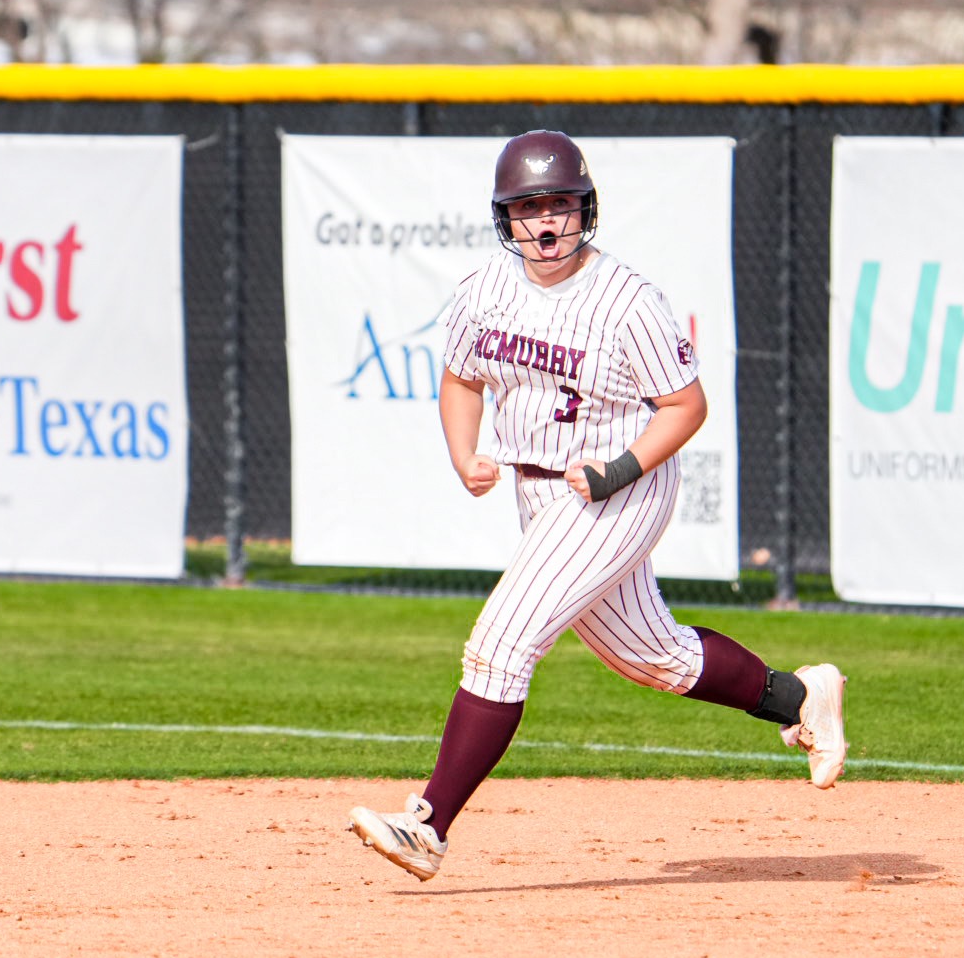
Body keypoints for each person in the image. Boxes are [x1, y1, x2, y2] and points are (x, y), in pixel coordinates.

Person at [346, 129, 848, 882]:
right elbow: (460, 377)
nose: (544, 223)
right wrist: (462, 454)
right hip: (538, 488)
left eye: (558, 205)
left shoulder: (627, 302)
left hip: (621, 487)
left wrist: (618, 469)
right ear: (503, 218)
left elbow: (685, 405)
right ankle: (799, 695)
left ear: (585, 209)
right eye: (527, 208)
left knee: (501, 642)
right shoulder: (483, 290)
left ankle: (428, 825)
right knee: (651, 655)